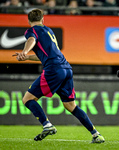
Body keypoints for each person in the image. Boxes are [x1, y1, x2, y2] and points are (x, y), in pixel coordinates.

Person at [12, 9, 105, 143]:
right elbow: (44, 56)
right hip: (66, 68)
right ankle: (96, 134)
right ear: (43, 19)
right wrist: (26, 57)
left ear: (29, 21)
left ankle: (47, 125)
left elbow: (31, 40)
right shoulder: (49, 31)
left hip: (53, 70)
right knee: (70, 105)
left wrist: (24, 51)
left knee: (27, 99)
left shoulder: (31, 31)